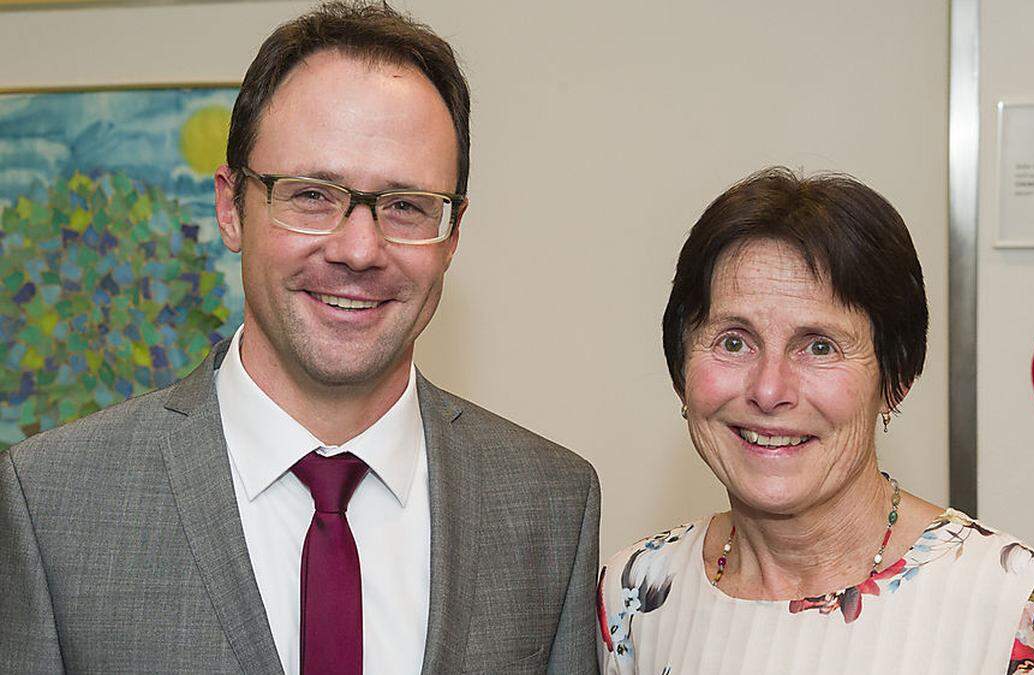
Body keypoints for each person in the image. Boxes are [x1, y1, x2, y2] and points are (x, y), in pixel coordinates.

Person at [0, 3, 599, 673]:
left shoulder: (550, 502)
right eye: (313, 194)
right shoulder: (53, 501)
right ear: (231, 209)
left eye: (406, 206)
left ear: (452, 235)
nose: (359, 249)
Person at [597, 168, 1034, 674]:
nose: (769, 390)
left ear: (896, 378)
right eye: (734, 342)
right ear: (680, 368)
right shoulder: (634, 595)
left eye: (819, 347)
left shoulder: (1028, 613)